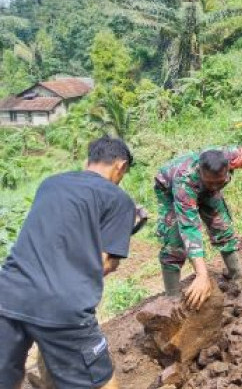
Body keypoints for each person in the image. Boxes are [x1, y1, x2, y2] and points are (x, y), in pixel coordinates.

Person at [0, 136, 137, 389]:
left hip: (8, 294)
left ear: (88, 161)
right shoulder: (119, 200)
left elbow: (59, 236)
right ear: (120, 166)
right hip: (62, 305)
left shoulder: (50, 184)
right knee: (102, 383)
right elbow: (105, 263)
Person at [155, 145, 242, 308]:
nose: (215, 186)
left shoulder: (233, 157)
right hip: (168, 189)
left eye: (219, 182)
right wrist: (201, 274)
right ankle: (172, 298)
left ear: (228, 167)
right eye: (210, 182)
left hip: (203, 189)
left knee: (223, 228)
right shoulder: (184, 183)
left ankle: (238, 280)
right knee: (174, 241)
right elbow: (189, 228)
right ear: (200, 172)